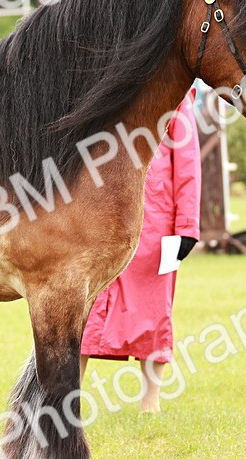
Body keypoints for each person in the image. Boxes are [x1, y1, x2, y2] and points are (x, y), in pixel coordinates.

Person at [80, 89, 202, 413]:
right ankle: (69, 395)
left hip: (155, 221)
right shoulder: (105, 88)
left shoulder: (175, 96)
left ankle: (151, 400)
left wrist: (187, 226)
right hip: (103, 217)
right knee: (82, 307)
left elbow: (188, 162)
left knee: (154, 310)